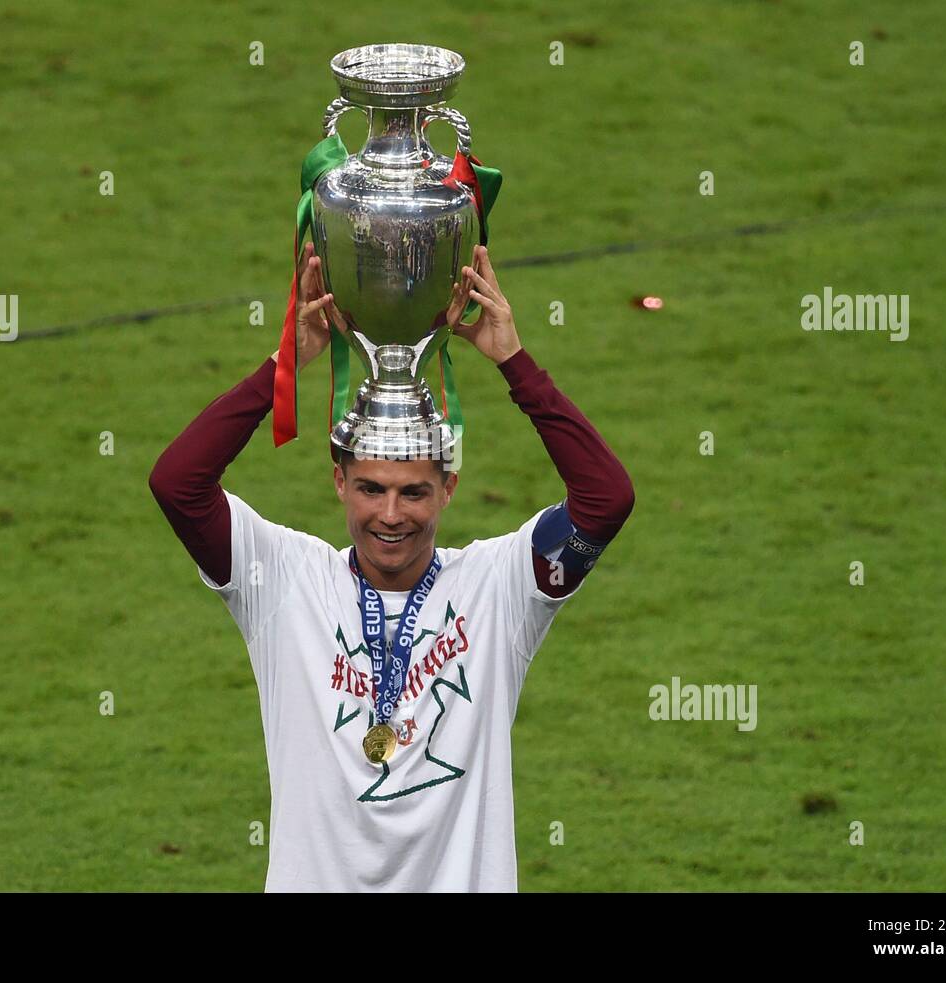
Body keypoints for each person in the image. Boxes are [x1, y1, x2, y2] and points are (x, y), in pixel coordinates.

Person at [149, 243, 634, 891]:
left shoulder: (501, 586)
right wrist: (284, 366)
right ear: (339, 481)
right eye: (372, 488)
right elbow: (178, 483)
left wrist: (515, 363)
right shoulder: (283, 579)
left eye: (413, 491)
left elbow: (606, 500)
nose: (391, 515)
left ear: (449, 488)